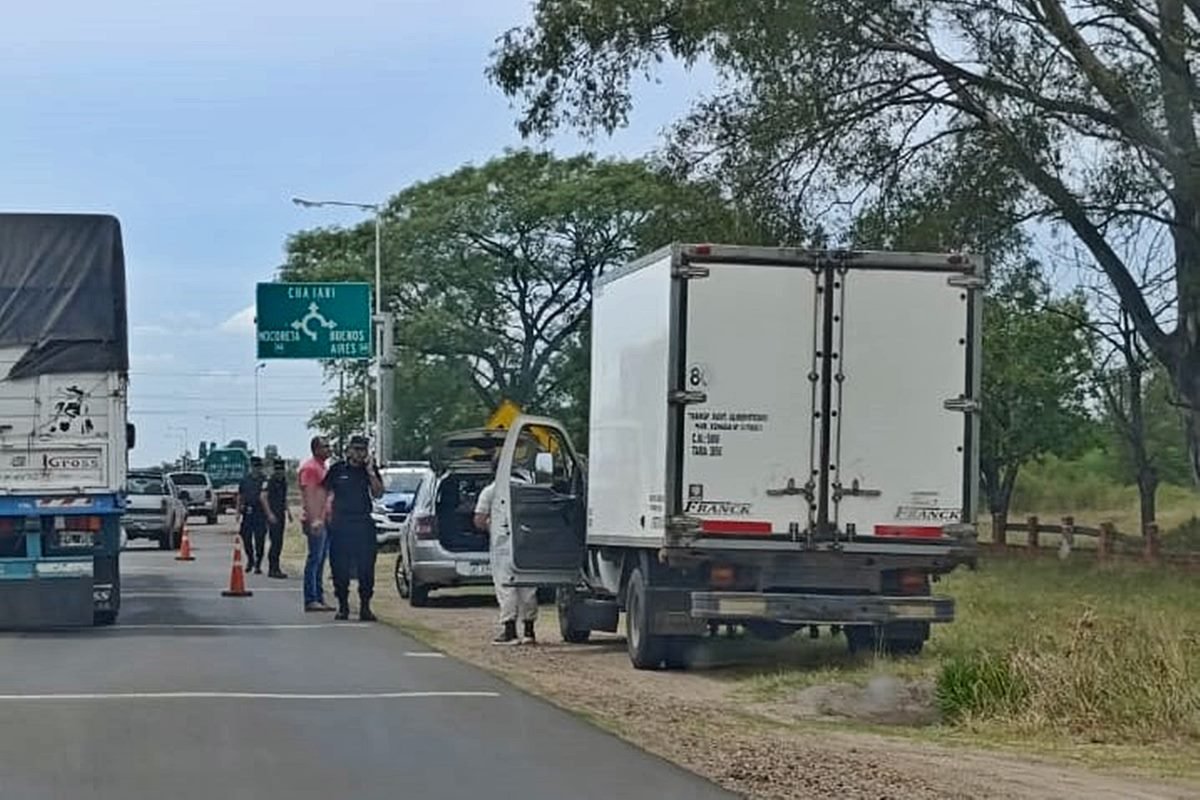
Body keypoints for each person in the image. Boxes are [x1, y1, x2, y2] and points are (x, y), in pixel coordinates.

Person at [474, 453, 536, 646]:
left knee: (506, 585)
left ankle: (510, 631)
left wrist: (491, 527)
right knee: (528, 585)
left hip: (503, 545)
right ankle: (529, 631)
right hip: (526, 542)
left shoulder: (490, 491)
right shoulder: (526, 488)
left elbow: (479, 519)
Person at [322, 435, 383, 621]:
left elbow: (378, 493)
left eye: (363, 450)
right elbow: (323, 492)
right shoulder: (338, 469)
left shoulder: (369, 470)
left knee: (366, 568)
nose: (359, 453)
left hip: (363, 523)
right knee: (340, 568)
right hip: (341, 524)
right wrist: (320, 516)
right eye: (356, 449)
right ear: (349, 450)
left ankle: (365, 607)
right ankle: (343, 606)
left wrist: (371, 472)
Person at [298, 436, 333, 612]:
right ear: (316, 449)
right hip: (316, 520)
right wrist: (315, 519)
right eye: (325, 447)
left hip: (325, 519)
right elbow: (309, 495)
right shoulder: (310, 468)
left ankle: (319, 597)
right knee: (314, 559)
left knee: (320, 561)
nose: (329, 449)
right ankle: (310, 598)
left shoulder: (323, 467)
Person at [237, 457, 271, 575]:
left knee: (260, 539)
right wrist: (238, 511)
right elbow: (240, 496)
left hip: (260, 513)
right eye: (254, 466)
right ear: (251, 467)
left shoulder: (265, 480)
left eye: (258, 467)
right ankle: (250, 559)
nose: (256, 469)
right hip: (248, 512)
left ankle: (258, 563)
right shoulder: (245, 480)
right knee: (246, 537)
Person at [265, 458, 291, 579]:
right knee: (275, 542)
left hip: (281, 514)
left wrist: (288, 511)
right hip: (273, 514)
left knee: (279, 542)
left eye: (281, 469)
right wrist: (269, 514)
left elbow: (284, 498)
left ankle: (277, 567)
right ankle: (272, 568)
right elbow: (263, 497)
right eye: (277, 470)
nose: (280, 472)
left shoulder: (283, 482)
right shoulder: (270, 481)